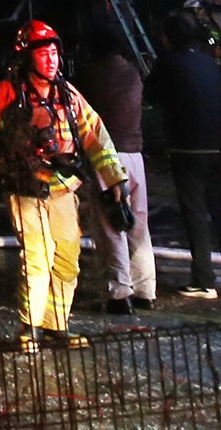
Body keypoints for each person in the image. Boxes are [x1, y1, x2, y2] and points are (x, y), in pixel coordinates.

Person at [0, 20, 128, 352]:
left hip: (63, 187)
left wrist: (114, 178)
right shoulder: (8, 93)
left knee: (68, 257)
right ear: (27, 58)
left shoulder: (67, 94)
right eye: (44, 53)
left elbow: (95, 134)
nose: (52, 60)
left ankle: (57, 325)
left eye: (55, 52)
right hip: (26, 188)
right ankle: (31, 327)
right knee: (37, 259)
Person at [149, 7, 221, 300]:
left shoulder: (167, 64)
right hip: (218, 146)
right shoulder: (212, 65)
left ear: (168, 37)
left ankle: (204, 280)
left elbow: (151, 96)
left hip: (186, 147)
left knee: (195, 213)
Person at [74, 25, 156, 315]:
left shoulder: (90, 75)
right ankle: (146, 289)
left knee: (110, 224)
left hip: (106, 157)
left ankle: (119, 294)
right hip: (136, 154)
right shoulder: (133, 71)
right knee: (138, 223)